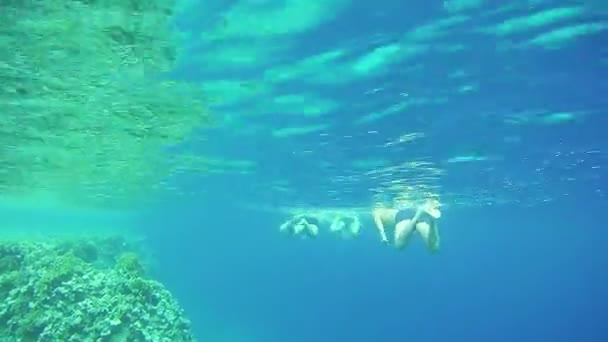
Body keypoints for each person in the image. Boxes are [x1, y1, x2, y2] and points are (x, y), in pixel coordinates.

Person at [372, 200, 441, 252]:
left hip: (403, 216)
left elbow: (379, 224)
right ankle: (432, 221)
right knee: (434, 247)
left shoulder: (376, 212)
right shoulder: (388, 209)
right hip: (417, 213)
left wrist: (383, 237)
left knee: (399, 245)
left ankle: (417, 216)